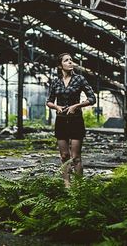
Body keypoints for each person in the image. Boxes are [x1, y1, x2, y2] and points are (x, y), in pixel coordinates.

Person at [46, 53, 96, 187]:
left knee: (76, 157)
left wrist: (77, 105)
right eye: (66, 60)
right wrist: (56, 106)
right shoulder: (56, 81)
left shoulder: (80, 79)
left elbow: (92, 99)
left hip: (76, 120)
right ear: (60, 65)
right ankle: (67, 185)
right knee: (64, 156)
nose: (70, 62)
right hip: (61, 120)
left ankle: (79, 187)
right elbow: (49, 101)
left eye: (71, 60)